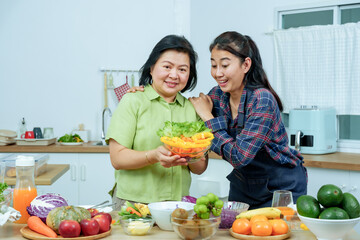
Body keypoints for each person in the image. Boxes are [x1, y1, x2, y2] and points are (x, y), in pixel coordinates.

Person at [188, 31, 307, 209]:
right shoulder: (217, 96)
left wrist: (207, 116)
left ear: (246, 65)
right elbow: (185, 108)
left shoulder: (262, 99)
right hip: (243, 185)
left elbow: (239, 157)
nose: (217, 73)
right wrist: (145, 92)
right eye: (213, 65)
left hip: (281, 187)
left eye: (225, 65)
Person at [106, 35, 208, 208]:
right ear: (152, 68)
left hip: (177, 205)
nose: (174, 75)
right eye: (167, 66)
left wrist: (191, 152)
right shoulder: (133, 101)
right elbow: (117, 158)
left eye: (183, 69)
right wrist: (153, 156)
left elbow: (199, 168)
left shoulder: (192, 109)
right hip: (133, 204)